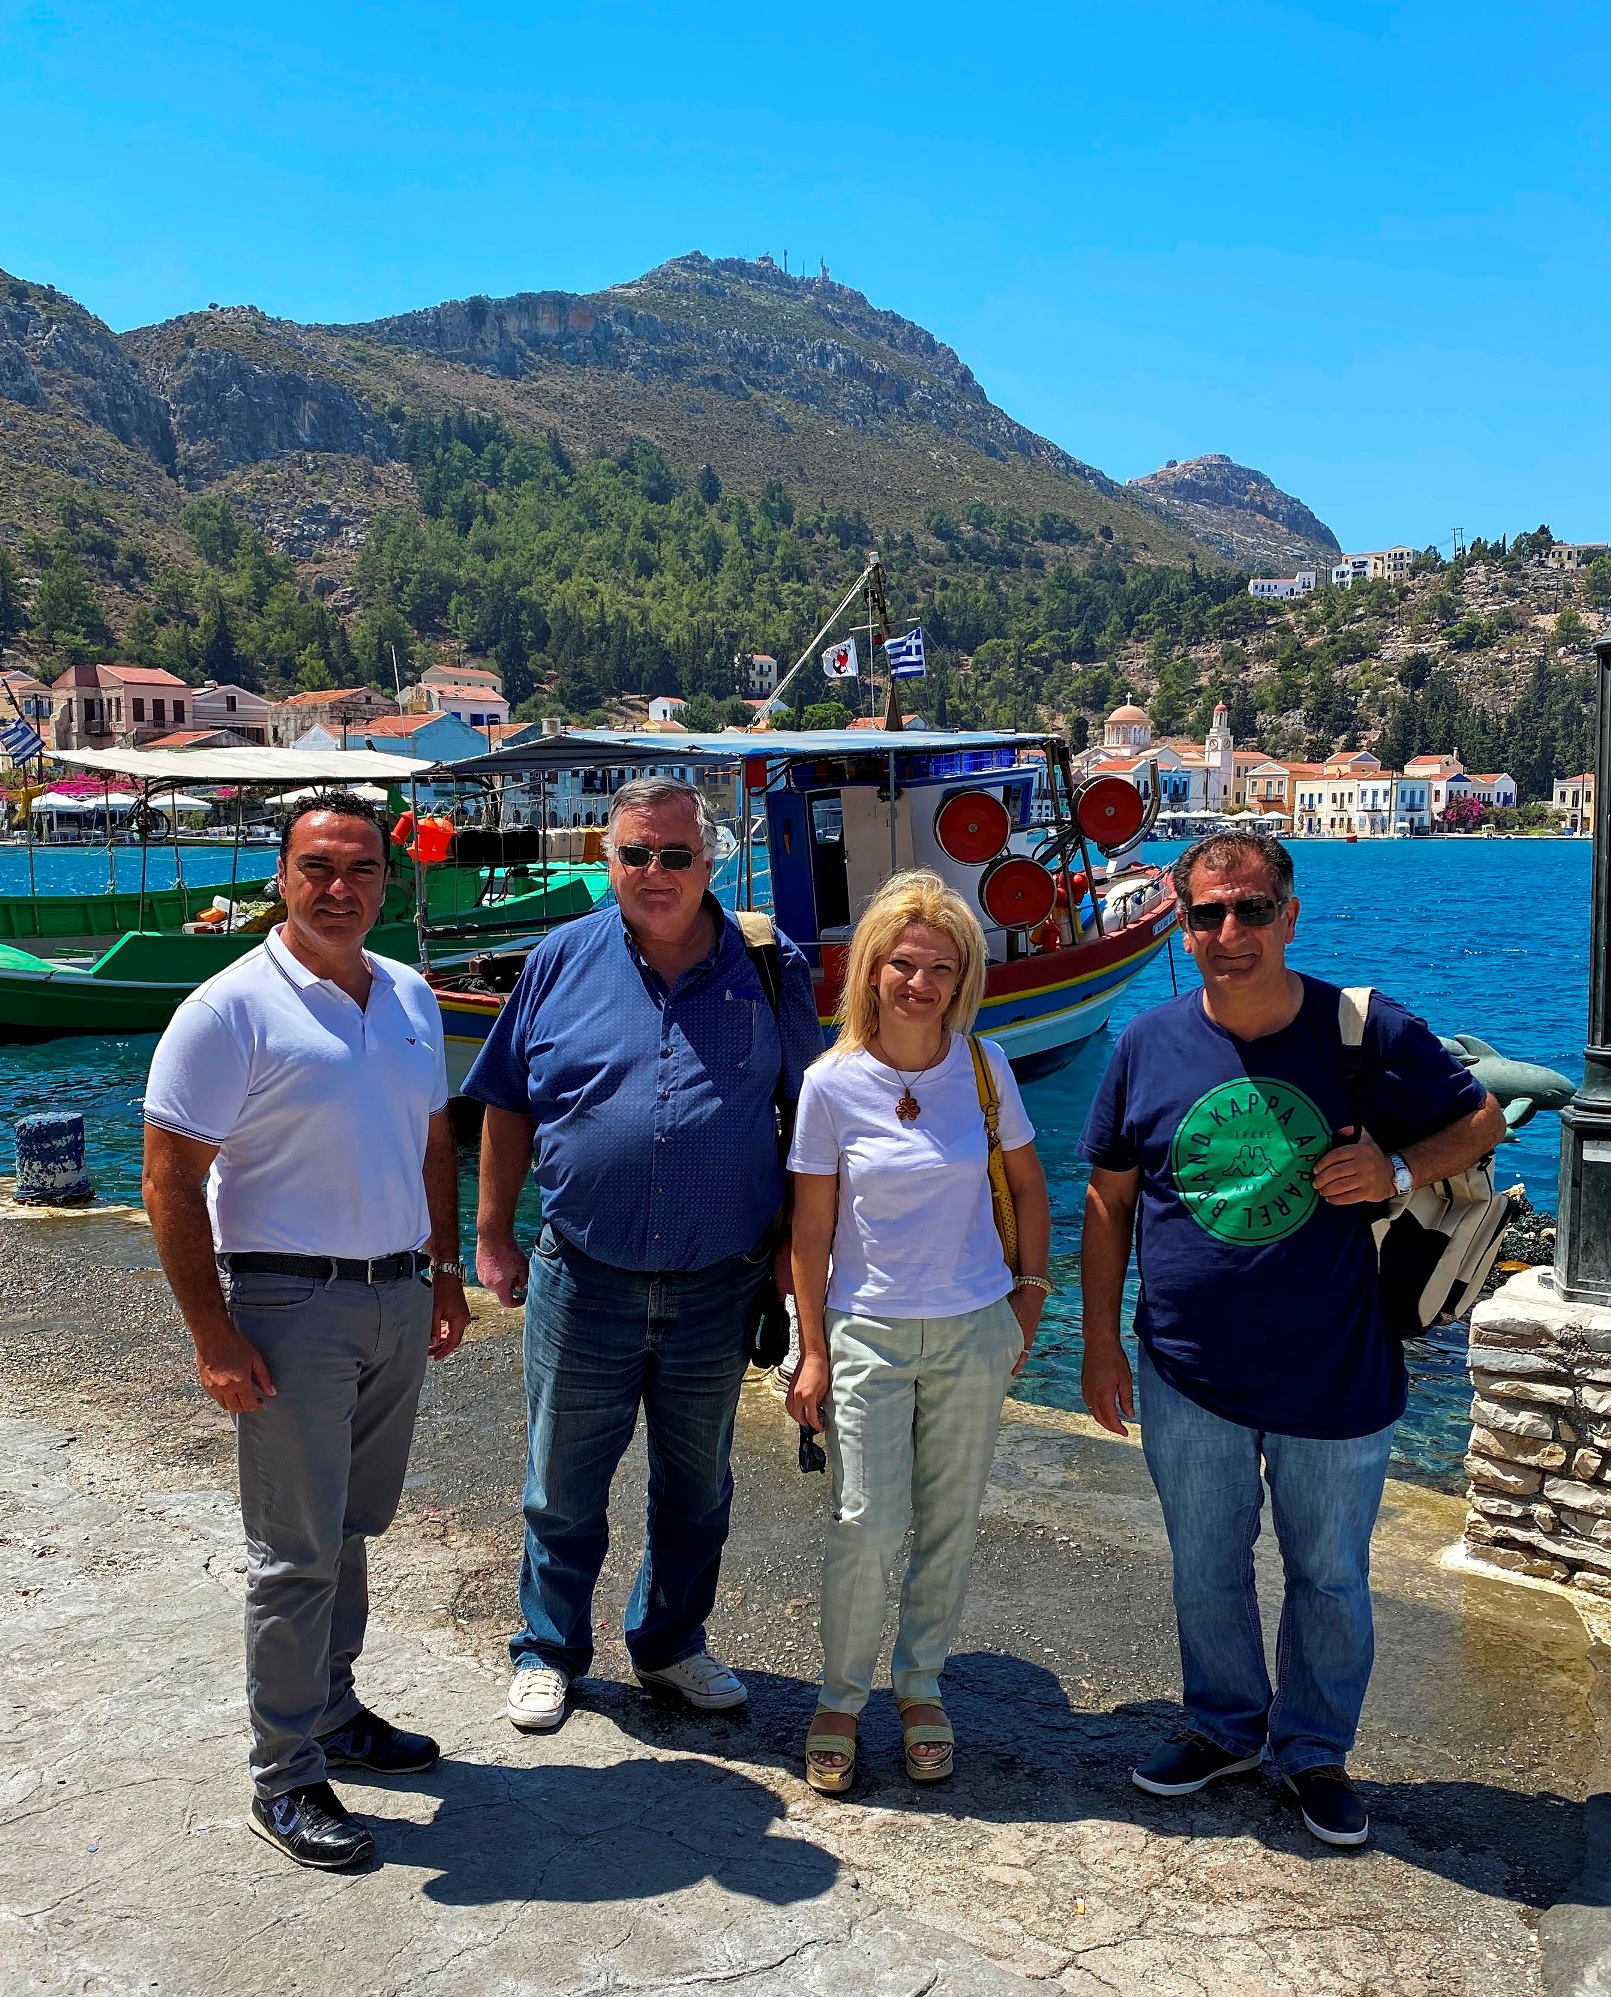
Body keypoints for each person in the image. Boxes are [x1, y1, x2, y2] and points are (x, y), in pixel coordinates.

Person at [1078, 829, 1505, 1848]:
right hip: (1186, 1370)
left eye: (1252, 908)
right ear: (1184, 928)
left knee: (1331, 1575)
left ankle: (1313, 1750)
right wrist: (1098, 1342)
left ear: (1289, 916)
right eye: (1207, 913)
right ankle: (1223, 1726)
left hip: (1336, 1368)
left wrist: (1394, 1171)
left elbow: (1482, 1119)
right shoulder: (1145, 1044)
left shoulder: (1363, 1029)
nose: (1230, 931)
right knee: (1205, 1565)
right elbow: (1108, 1199)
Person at [142, 795, 472, 1871]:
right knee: (293, 1550)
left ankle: (332, 1707)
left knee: (351, 1524)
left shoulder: (410, 992)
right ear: (281, 877)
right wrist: (212, 1334)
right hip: (287, 1303)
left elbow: (433, 1139)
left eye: (362, 868)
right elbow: (169, 1180)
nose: (340, 888)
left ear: (388, 880)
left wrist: (443, 1269)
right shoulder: (228, 1008)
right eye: (317, 867)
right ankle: (282, 1774)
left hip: (394, 1291)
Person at [467, 775, 822, 1733]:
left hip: (721, 1281)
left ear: (710, 861)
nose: (655, 871)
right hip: (582, 1275)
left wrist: (796, 1257)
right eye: (635, 853)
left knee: (696, 1485)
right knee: (561, 1482)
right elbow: (506, 1100)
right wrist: (491, 1233)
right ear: (607, 858)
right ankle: (548, 1650)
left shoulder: (772, 965)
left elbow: (809, 1121)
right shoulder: (559, 958)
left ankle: (669, 1643)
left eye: (675, 855)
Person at [785, 870, 1052, 1793]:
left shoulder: (984, 1068)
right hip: (867, 1330)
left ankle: (920, 1685)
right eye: (903, 963)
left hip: (974, 1328)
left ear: (962, 977)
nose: (920, 983)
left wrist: (1027, 1299)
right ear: (870, 969)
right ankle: (839, 1697)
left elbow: (1029, 1187)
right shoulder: (830, 1084)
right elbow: (810, 1230)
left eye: (941, 967)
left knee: (948, 1523)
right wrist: (812, 1348)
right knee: (866, 1521)